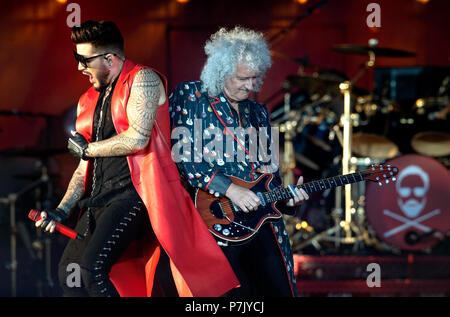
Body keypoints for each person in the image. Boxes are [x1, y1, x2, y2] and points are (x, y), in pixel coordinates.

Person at [36, 20, 238, 297]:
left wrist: (88, 149)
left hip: (136, 196)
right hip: (98, 199)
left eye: (83, 59)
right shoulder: (87, 100)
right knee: (69, 274)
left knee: (91, 270)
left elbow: (137, 138)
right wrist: (61, 210)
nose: (79, 67)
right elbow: (84, 167)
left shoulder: (143, 79)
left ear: (109, 58)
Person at [169, 26, 309, 296]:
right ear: (221, 72)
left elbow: (268, 174)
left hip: (262, 222)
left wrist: (287, 200)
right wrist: (230, 189)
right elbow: (183, 158)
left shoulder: (258, 111)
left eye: (255, 78)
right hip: (216, 219)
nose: (250, 86)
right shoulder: (191, 96)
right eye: (243, 78)